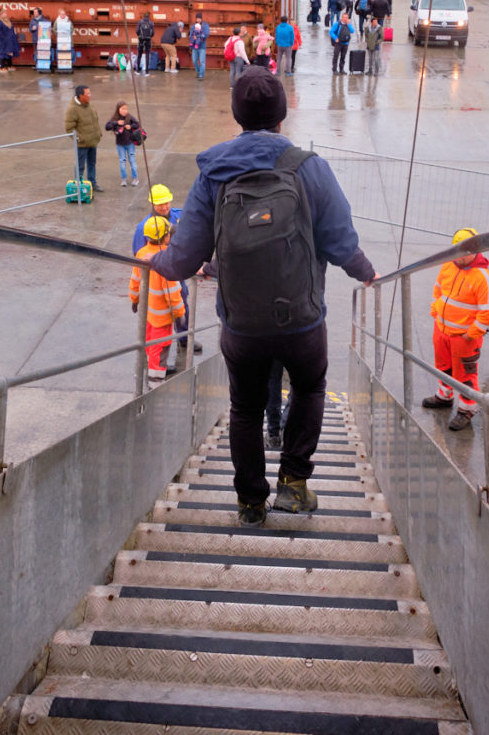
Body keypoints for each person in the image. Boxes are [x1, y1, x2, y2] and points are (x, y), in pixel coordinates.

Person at [146, 66, 378, 527]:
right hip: (302, 319)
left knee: (245, 408)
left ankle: (251, 501)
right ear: (282, 115)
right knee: (310, 387)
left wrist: (156, 260)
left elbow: (185, 258)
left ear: (236, 114)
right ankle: (293, 483)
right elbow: (339, 242)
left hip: (241, 323)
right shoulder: (309, 168)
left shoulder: (213, 173)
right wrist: (365, 272)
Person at [422, 227, 489, 431]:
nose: (460, 258)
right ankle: (444, 397)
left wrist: (470, 334)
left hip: (464, 338)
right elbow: (438, 290)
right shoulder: (448, 266)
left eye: (464, 254)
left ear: (475, 251)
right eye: (457, 252)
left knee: (466, 375)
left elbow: (487, 313)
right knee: (443, 366)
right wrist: (435, 313)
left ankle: (467, 409)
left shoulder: (483, 278)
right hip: (442, 331)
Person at [132, 185, 202, 354]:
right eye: (160, 204)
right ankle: (155, 350)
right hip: (158, 276)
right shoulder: (144, 227)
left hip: (177, 271)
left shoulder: (179, 215)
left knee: (181, 302)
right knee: (157, 314)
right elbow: (138, 255)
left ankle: (184, 338)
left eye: (166, 202)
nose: (164, 207)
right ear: (152, 204)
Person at [129, 216, 185, 383]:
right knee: (160, 347)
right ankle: (156, 380)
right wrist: (180, 312)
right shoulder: (166, 260)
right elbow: (173, 292)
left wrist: (134, 298)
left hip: (148, 311)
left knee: (149, 341)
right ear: (166, 237)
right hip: (162, 316)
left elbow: (135, 279)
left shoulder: (141, 253)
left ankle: (155, 369)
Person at [64, 85, 104, 192]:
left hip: (93, 141)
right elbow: (69, 128)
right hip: (82, 144)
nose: (90, 96)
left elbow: (95, 120)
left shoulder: (89, 105)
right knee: (80, 166)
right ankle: (78, 187)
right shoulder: (72, 109)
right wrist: (79, 139)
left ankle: (92, 184)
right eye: (88, 94)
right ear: (81, 96)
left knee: (92, 163)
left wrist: (98, 133)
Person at [105, 100, 144, 187]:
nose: (125, 111)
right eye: (123, 109)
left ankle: (135, 178)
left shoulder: (129, 117)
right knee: (122, 161)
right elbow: (107, 126)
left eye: (126, 109)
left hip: (130, 143)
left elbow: (137, 124)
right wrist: (116, 123)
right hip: (120, 144)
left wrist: (130, 126)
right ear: (118, 109)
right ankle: (123, 179)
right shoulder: (115, 118)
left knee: (132, 160)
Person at [0, 7, 20, 73]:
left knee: (10, 53)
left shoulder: (7, 20)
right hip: (2, 41)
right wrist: (4, 38)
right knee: (2, 53)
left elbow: (11, 29)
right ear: (1, 14)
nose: (6, 14)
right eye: (4, 13)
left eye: (5, 13)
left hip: (10, 40)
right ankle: (2, 67)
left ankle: (10, 66)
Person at [189, 12, 210, 80]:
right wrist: (192, 37)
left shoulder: (205, 25)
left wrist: (198, 37)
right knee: (194, 60)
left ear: (201, 18)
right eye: (197, 18)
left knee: (202, 62)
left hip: (202, 46)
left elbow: (206, 34)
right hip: (194, 47)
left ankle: (201, 75)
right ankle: (198, 71)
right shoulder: (193, 26)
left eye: (199, 18)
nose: (198, 19)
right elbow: (190, 34)